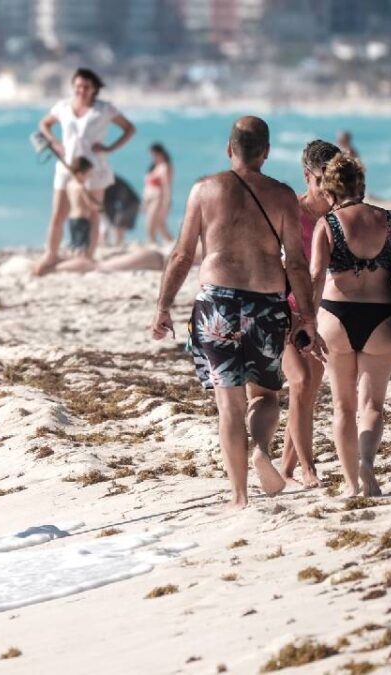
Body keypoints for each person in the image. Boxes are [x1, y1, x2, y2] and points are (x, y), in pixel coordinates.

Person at [151, 117, 320, 509]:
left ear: (230, 150)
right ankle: (260, 447)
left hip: (216, 304)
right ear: (266, 152)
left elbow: (181, 254)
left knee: (228, 402)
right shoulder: (282, 196)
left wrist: (163, 306)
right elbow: (295, 263)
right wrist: (307, 316)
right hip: (266, 303)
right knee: (265, 395)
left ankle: (239, 495)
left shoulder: (203, 190)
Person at [309, 153, 391, 497]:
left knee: (343, 407)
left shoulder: (328, 224)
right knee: (372, 406)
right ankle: (366, 463)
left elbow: (317, 275)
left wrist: (306, 318)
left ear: (330, 191)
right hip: (379, 318)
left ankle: (351, 484)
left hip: (336, 316)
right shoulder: (390, 221)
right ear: (361, 185)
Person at [279, 140, 340, 489]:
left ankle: (286, 471)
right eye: (321, 179)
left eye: (333, 178)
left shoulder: (338, 214)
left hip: (319, 313)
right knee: (299, 382)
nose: (328, 187)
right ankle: (308, 469)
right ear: (307, 176)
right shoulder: (291, 213)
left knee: (306, 394)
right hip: (286, 310)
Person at [34, 68, 136, 274]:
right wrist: (54, 141)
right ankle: (51, 254)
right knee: (58, 212)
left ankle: (88, 254)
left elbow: (129, 129)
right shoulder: (63, 107)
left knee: (93, 212)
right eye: (78, 86)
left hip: (94, 165)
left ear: (94, 89)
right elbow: (44, 124)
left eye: (86, 87)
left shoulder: (105, 109)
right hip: (66, 164)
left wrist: (110, 148)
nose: (81, 90)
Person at [52, 157, 101, 273]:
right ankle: (79, 265)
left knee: (75, 243)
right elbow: (88, 203)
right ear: (80, 173)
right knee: (83, 245)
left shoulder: (69, 185)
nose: (88, 177)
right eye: (87, 174)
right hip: (82, 218)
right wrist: (99, 207)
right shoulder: (81, 187)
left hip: (72, 218)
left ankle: (74, 262)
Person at [142, 143, 174, 245]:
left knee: (151, 225)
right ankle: (172, 243)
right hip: (149, 199)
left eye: (154, 154)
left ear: (160, 153)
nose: (152, 157)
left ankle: (153, 244)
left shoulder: (165, 167)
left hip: (158, 198)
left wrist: (167, 201)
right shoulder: (154, 167)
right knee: (160, 225)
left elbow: (167, 185)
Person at [103, 175, 140, 246]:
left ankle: (118, 242)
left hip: (130, 202)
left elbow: (110, 201)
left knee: (118, 223)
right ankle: (118, 242)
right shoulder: (112, 180)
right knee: (119, 223)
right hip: (132, 201)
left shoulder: (109, 181)